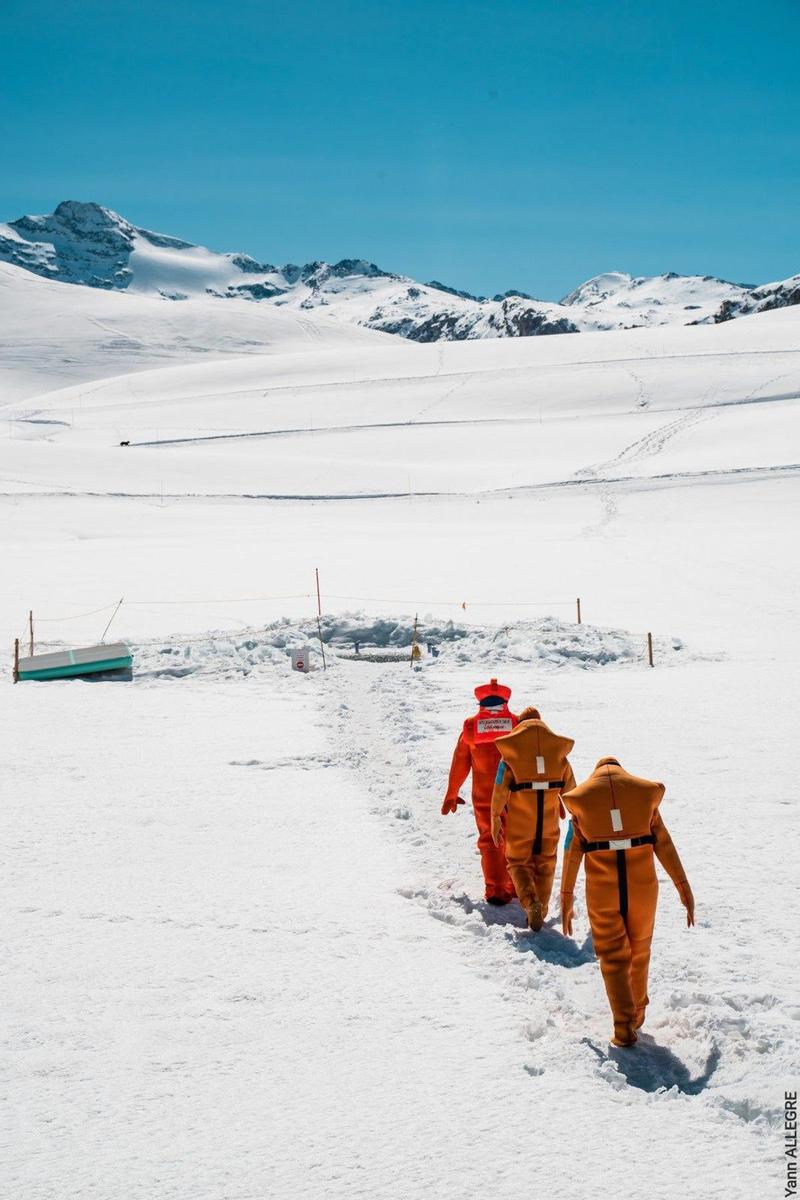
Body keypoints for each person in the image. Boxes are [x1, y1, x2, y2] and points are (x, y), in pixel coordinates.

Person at [560, 757, 695, 1048]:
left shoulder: (582, 802)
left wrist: (566, 898)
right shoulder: (644, 797)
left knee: (613, 955)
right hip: (643, 888)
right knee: (640, 948)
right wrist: (683, 887)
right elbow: (665, 844)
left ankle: (623, 1026)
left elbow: (572, 854)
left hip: (602, 891)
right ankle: (638, 1010)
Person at [490, 709, 575, 931]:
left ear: (519, 724)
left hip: (521, 824)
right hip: (549, 823)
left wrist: (495, 815)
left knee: (518, 863)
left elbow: (500, 788)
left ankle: (530, 903)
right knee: (546, 864)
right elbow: (572, 791)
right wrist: (575, 815)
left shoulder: (510, 753)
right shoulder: (558, 753)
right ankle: (542, 909)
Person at [442, 679, 518, 905]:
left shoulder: (471, 726)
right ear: (506, 700)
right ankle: (516, 885)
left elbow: (460, 761)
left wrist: (451, 792)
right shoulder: (518, 723)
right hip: (517, 792)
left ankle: (496, 889)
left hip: (485, 794)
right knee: (516, 837)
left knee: (491, 838)